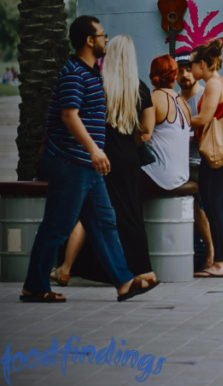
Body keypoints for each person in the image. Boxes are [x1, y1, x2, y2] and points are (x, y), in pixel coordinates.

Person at [21, 16, 157, 303]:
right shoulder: (74, 73)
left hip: (87, 164)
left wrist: (95, 154)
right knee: (57, 225)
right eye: (102, 35)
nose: (106, 39)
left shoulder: (93, 74)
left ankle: (123, 282)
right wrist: (94, 150)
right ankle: (34, 285)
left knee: (104, 221)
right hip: (71, 162)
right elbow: (69, 116)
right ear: (89, 40)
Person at [56, 35, 158, 287]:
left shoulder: (97, 84)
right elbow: (146, 128)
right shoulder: (139, 87)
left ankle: (66, 268)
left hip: (101, 155)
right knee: (131, 213)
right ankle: (144, 270)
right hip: (129, 158)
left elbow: (79, 120)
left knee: (91, 212)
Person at [189, 40, 223, 278]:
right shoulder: (222, 83)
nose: (189, 70)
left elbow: (204, 118)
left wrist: (177, 119)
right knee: (221, 208)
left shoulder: (212, 84)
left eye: (191, 64)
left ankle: (219, 262)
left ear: (201, 64)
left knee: (213, 208)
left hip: (216, 153)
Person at [175, 51, 214, 269]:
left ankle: (210, 253)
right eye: (179, 71)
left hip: (201, 160)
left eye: (188, 69)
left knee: (194, 205)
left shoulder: (205, 97)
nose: (184, 75)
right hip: (178, 162)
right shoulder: (174, 99)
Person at [140, 55, 191, 198]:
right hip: (182, 175)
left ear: (152, 76)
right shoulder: (183, 102)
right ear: (174, 75)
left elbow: (145, 135)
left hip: (161, 176)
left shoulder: (154, 98)